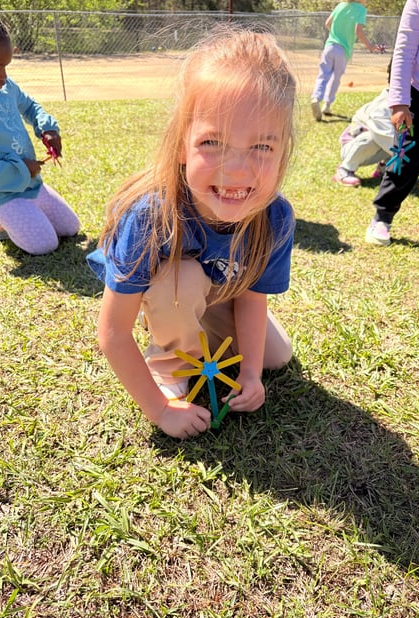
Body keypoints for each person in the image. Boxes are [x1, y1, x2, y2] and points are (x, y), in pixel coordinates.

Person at [87, 28, 296, 440]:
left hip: (222, 290)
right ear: (182, 145)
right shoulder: (149, 215)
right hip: (169, 285)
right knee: (179, 285)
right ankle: (169, 358)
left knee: (277, 357)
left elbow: (253, 297)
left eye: (262, 147)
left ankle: (190, 322)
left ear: (284, 150)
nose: (237, 170)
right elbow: (112, 333)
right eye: (212, 142)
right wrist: (161, 410)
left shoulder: (275, 217)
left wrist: (251, 374)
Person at [0, 1, 80, 255]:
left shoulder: (6, 87)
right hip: (1, 193)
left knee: (70, 228)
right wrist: (20, 169)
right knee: (44, 244)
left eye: (7, 67)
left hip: (31, 183)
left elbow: (31, 106)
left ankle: (26, 212)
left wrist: (47, 128)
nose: (4, 76)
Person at [365, 0, 419, 248]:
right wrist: (399, 103)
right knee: (404, 162)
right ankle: (382, 218)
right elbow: (404, 50)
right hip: (417, 99)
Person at [311, 0, 379, 122]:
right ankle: (327, 105)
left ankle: (316, 97)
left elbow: (327, 23)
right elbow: (358, 31)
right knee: (336, 78)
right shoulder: (360, 9)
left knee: (323, 75)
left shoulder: (340, 5)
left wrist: (336, 34)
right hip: (342, 50)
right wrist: (369, 45)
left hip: (329, 46)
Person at [333, 58, 393, 187]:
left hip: (380, 147)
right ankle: (345, 169)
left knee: (402, 134)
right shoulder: (383, 107)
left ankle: (386, 168)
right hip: (353, 146)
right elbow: (387, 137)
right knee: (375, 136)